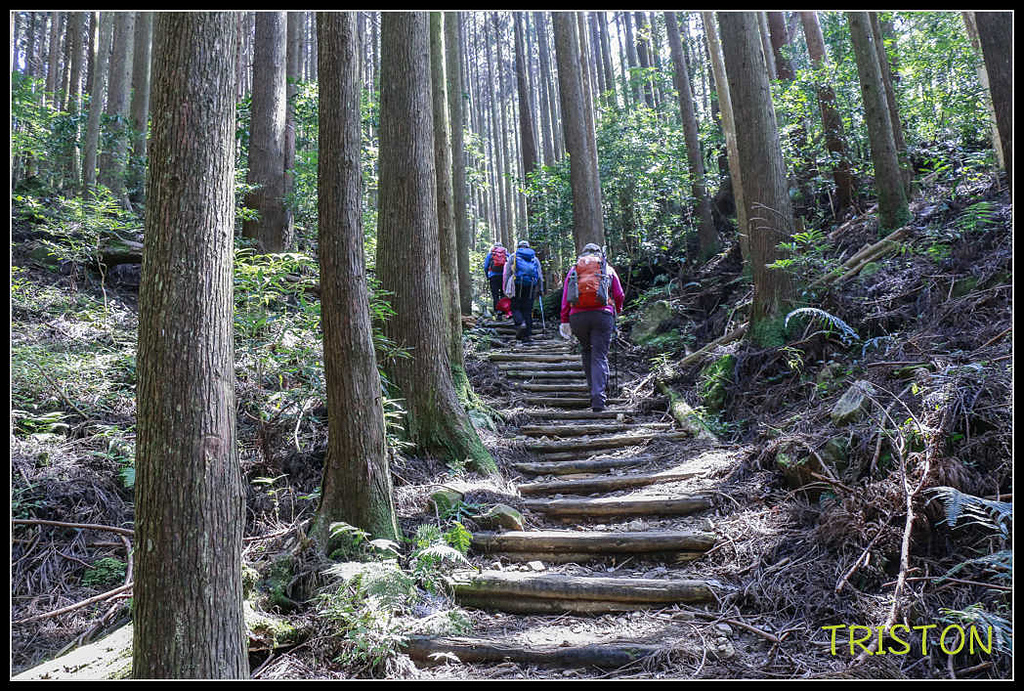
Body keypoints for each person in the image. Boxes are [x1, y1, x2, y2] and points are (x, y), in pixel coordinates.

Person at [559, 243, 625, 412]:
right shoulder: (605, 268)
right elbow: (619, 294)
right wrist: (617, 310)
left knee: (587, 351)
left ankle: (593, 390)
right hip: (602, 315)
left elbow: (566, 296)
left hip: (577, 317)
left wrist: (565, 320)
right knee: (599, 355)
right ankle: (598, 398)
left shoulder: (574, 269)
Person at [504, 240, 543, 343]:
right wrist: (540, 288)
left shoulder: (513, 256)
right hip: (531, 286)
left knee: (515, 306)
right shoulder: (534, 258)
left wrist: (506, 287)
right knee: (528, 309)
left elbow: (507, 272)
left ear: (519, 247)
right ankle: (528, 336)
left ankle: (520, 323)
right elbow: (539, 275)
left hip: (517, 284)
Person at [483, 242, 509, 318]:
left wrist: (487, 276)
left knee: (495, 294)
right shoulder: (506, 254)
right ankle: (504, 310)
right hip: (504, 276)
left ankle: (498, 312)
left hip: (493, 276)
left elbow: (485, 266)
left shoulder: (490, 254)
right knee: (503, 293)